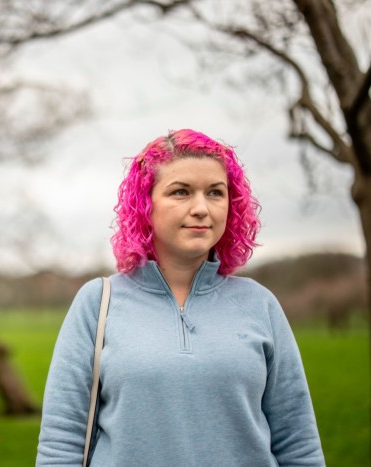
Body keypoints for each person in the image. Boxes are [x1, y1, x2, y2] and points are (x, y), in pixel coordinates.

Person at [36, 129, 325, 466]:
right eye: (181, 192)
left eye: (215, 192)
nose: (201, 208)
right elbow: (61, 444)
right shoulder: (98, 303)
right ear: (146, 205)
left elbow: (299, 444)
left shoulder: (260, 304)